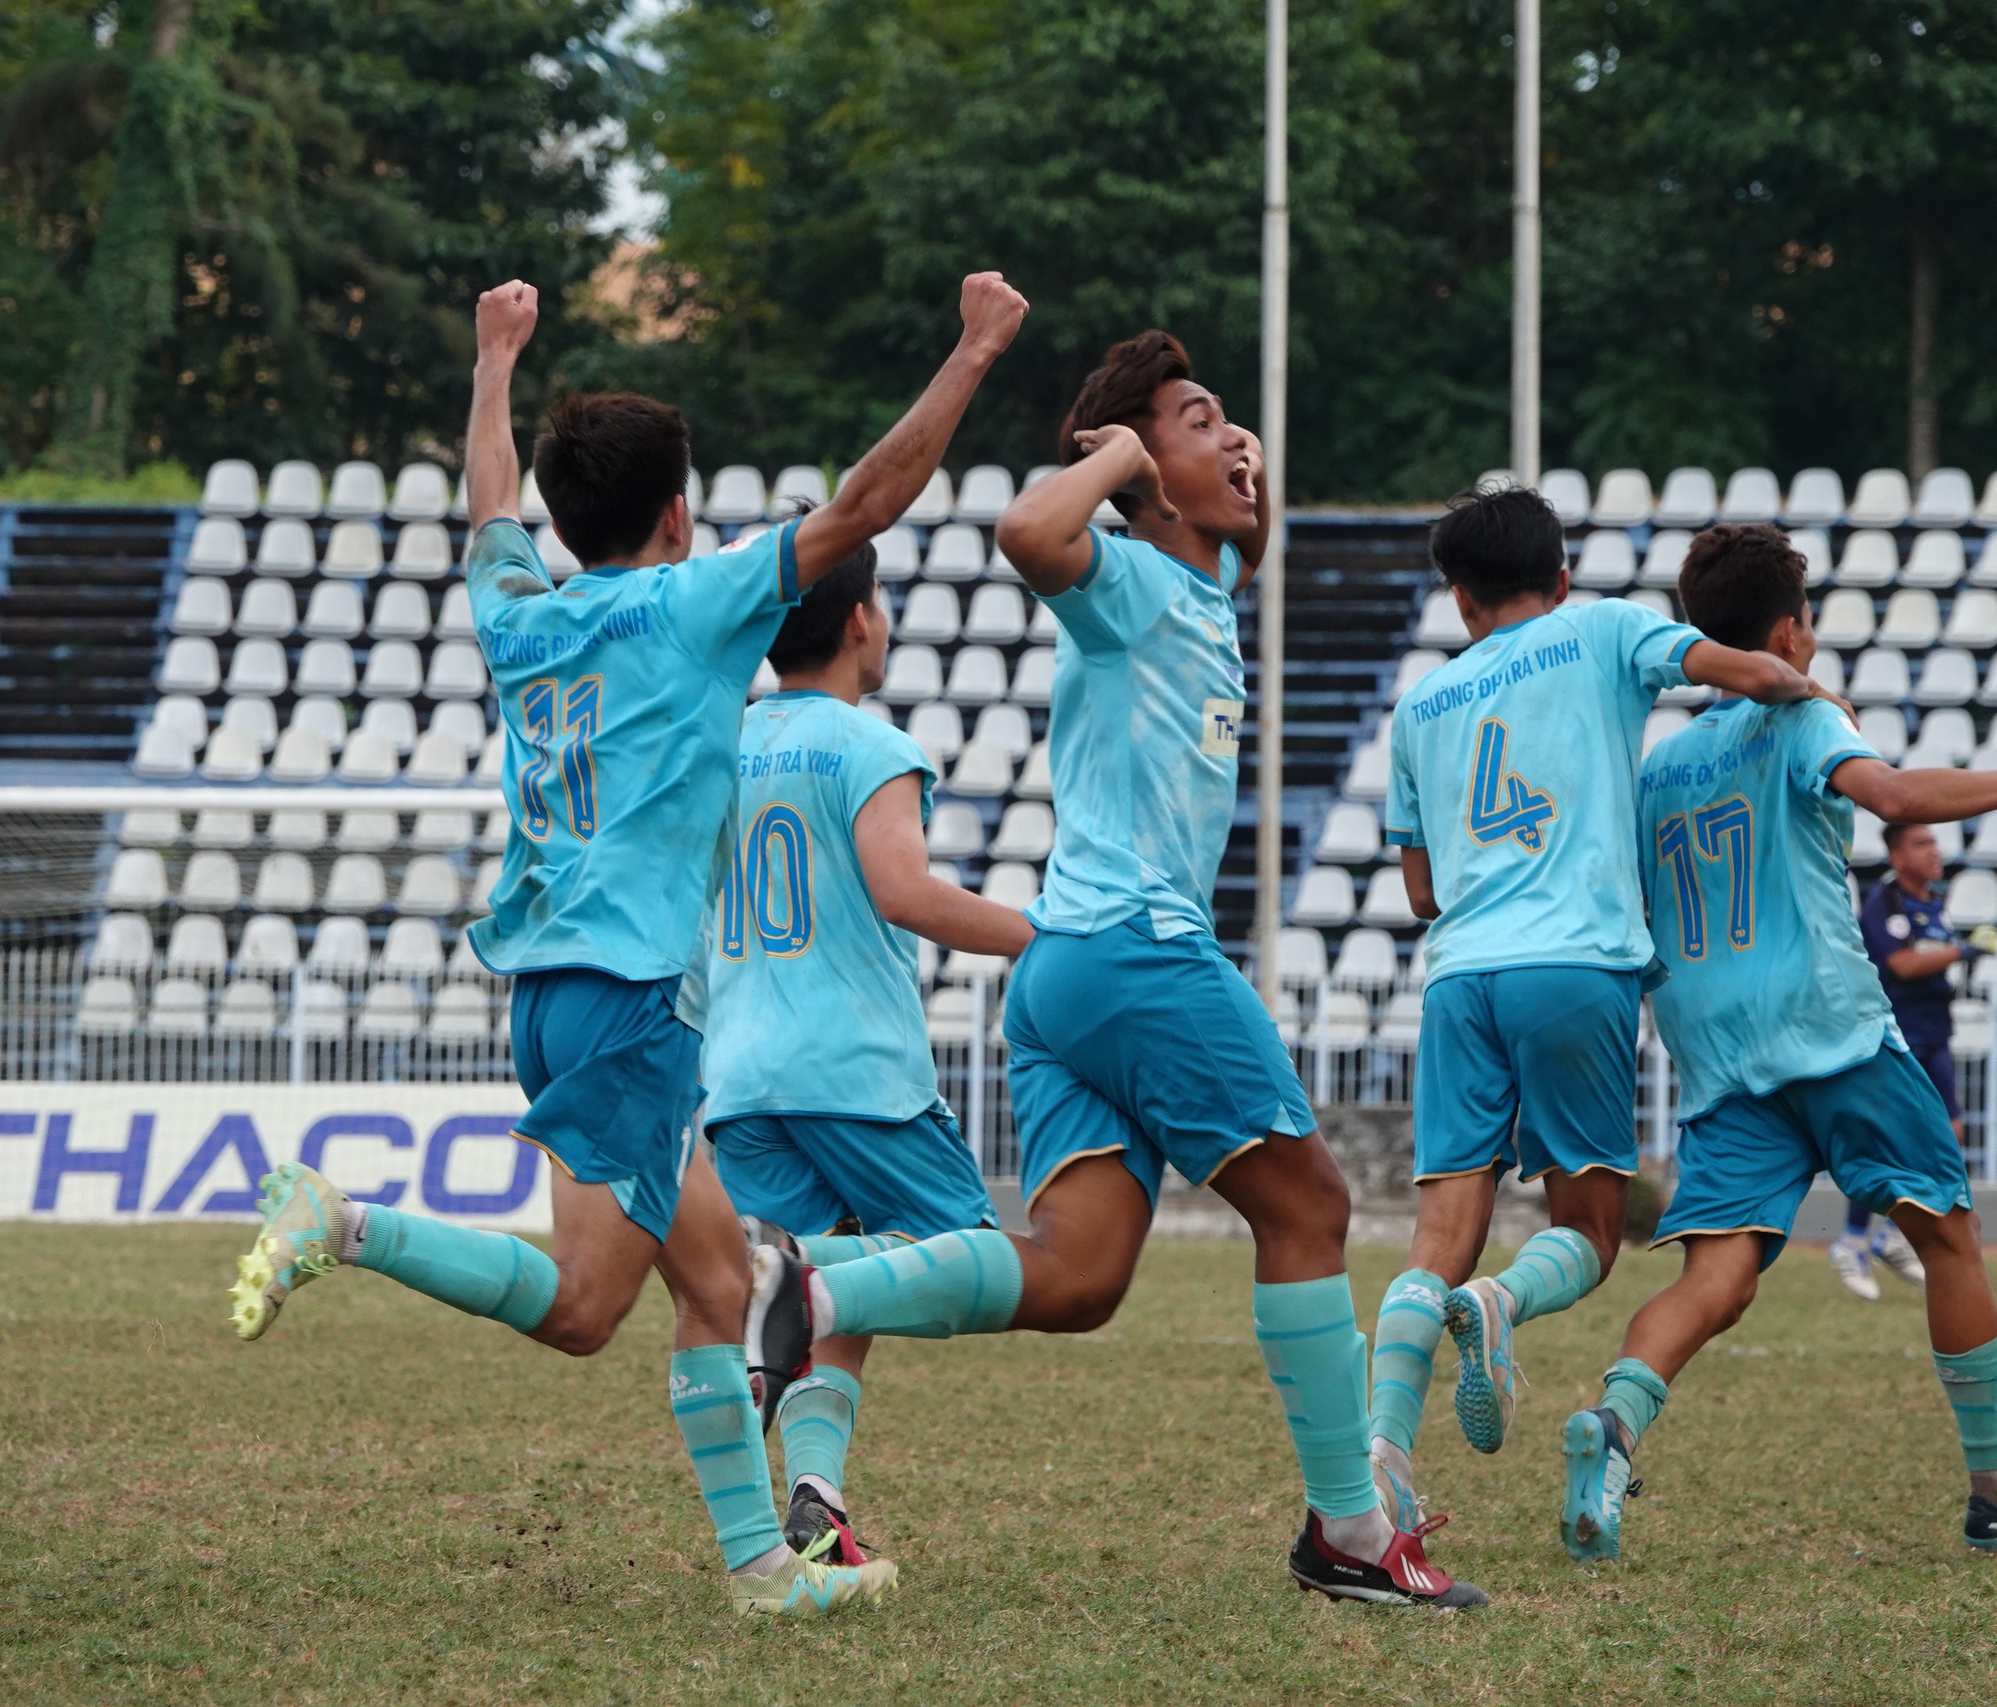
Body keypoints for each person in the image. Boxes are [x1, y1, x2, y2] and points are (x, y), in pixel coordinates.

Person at [224, 271, 1031, 1618]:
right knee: (585, 1308)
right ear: (676, 512)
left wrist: (494, 362)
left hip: (556, 991)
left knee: (718, 1285)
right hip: (632, 999)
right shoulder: (695, 606)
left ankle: (764, 1572)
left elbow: (488, 507)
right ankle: (342, 1220)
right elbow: (867, 503)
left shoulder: (519, 609)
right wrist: (975, 350)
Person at [747, 331, 1486, 1609]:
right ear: (1142, 474)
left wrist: (1223, 460)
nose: (1232, 438)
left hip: (1068, 975)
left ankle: (815, 1289)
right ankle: (1350, 1532)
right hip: (1136, 952)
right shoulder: (1130, 577)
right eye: (1201, 420)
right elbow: (1028, 532)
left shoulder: (1199, 583)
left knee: (1080, 1280)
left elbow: (1243, 537)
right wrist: (1130, 456)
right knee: (1308, 1211)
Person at [1562, 521, 1997, 1560]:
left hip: (1716, 1054)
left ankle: (1614, 1425)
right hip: (1830, 1032)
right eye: (1805, 620)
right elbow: (1892, 798)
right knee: (1946, 1234)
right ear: (1786, 636)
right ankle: (1996, 1493)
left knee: (1716, 1279)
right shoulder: (1802, 720)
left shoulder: (1660, 766)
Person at [1368, 482, 1825, 1527]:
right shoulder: (1605, 629)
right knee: (1588, 1231)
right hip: (1573, 966)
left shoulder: (1418, 707)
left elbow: (1421, 891)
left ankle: (1381, 1460)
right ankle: (1501, 1302)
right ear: (1562, 577)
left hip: (1459, 977)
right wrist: (1805, 689)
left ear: (1458, 598)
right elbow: (1750, 672)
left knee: (1436, 1238)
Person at [695, 533, 1035, 1564]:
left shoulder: (718, 745)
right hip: (855, 1070)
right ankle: (787, 1280)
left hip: (740, 1072)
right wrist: (1045, 939)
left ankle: (816, 1498)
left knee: (838, 1289)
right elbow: (902, 890)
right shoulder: (870, 746)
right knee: (965, 1256)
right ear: (859, 619)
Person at [1836, 822, 1978, 1298]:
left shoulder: (1934, 903)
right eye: (1921, 843)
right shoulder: (1885, 904)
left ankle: (1893, 1237)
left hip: (1935, 1034)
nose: (1934, 851)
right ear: (1896, 856)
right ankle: (1853, 1240)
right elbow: (1901, 964)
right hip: (1898, 1036)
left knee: (1950, 1135)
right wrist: (1960, 951)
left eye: (1934, 841)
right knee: (1887, 1138)